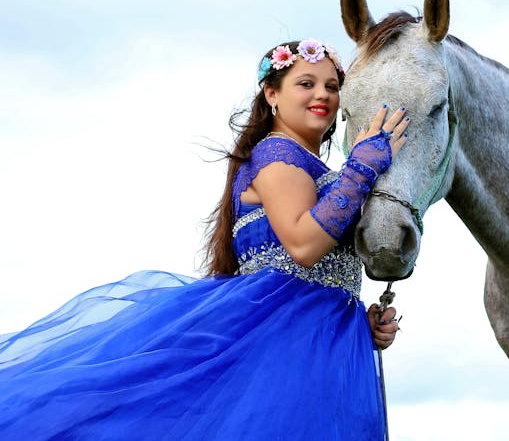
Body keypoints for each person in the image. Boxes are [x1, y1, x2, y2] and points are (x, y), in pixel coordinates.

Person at [0, 38, 409, 440]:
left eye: (331, 87)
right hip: (283, 346)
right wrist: (362, 166)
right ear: (272, 94)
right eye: (306, 83)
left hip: (321, 344)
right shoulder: (278, 154)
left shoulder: (307, 164)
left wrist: (358, 321)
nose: (322, 94)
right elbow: (304, 246)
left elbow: (321, 273)